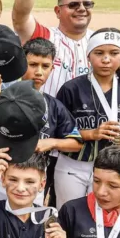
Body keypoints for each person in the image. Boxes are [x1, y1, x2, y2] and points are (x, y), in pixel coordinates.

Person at [54, 29, 120, 207]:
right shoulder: (71, 89)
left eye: (114, 53)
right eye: (99, 53)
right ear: (88, 56)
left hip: (113, 168)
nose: (106, 59)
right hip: (74, 165)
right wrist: (91, 134)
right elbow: (59, 132)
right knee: (68, 213)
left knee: (103, 215)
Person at [11, 0, 95, 96]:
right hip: (46, 110)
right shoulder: (44, 36)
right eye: (73, 5)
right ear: (58, 11)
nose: (82, 8)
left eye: (87, 4)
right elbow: (20, 18)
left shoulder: (98, 42)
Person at [22, 38, 82, 206]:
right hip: (3, 175)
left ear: (52, 69)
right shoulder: (4, 96)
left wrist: (51, 142)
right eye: (33, 65)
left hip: (37, 177)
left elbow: (77, 142)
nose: (39, 72)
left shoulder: (54, 106)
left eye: (45, 66)